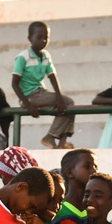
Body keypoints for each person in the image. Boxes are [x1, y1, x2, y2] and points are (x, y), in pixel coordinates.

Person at [12, 22, 75, 150]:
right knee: (69, 103)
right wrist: (28, 104)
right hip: (30, 96)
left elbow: (52, 77)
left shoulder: (46, 56)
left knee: (66, 103)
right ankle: (51, 136)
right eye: (39, 37)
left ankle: (62, 142)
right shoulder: (23, 57)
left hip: (41, 92)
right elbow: (14, 84)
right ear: (30, 38)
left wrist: (59, 97)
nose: (43, 40)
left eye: (46, 37)